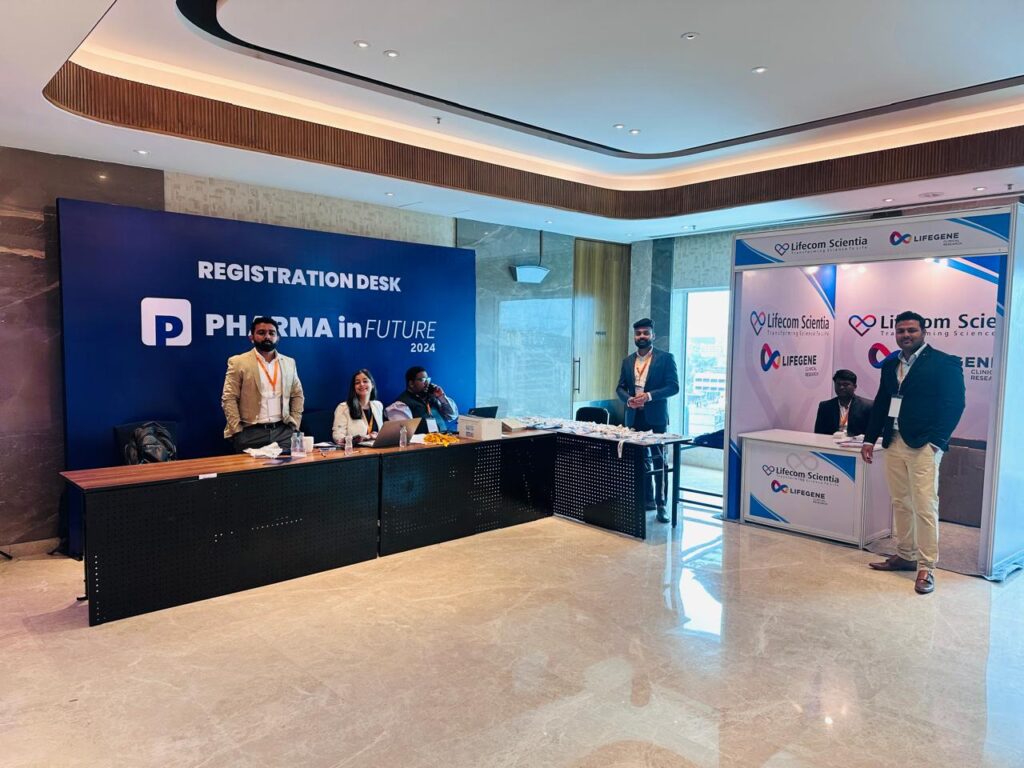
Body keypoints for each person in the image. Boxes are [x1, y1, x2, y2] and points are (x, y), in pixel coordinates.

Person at [861, 310, 965, 595]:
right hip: (893, 441)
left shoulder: (944, 363)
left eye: (911, 330)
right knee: (900, 501)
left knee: (924, 505)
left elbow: (955, 404)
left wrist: (936, 442)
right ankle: (906, 555)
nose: (905, 335)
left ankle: (926, 566)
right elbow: (882, 402)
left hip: (923, 445)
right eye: (901, 331)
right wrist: (869, 439)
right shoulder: (890, 363)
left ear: (923, 332)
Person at [616, 318, 680, 523]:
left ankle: (662, 505)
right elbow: (620, 387)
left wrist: (649, 396)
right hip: (634, 417)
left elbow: (673, 387)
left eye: (645, 333)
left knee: (659, 462)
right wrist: (628, 400)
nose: (642, 336)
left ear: (653, 335)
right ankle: (647, 500)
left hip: (656, 418)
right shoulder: (627, 361)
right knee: (639, 460)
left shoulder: (666, 358)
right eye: (638, 333)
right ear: (634, 337)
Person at [221, 316, 305, 452]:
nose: (267, 336)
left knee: (287, 467)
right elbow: (229, 398)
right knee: (249, 467)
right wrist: (237, 429)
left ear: (278, 337)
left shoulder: (289, 362)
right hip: (250, 434)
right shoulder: (238, 362)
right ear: (251, 337)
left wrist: (295, 424)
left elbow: (297, 394)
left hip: (283, 433)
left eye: (272, 333)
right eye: (261, 333)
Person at [386, 366, 458, 433]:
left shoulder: (432, 398)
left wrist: (441, 397)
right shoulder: (401, 405)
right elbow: (405, 434)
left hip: (445, 439)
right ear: (411, 384)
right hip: (424, 441)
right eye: (423, 380)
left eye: (427, 379)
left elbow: (451, 416)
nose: (427, 383)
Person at [333, 369, 387, 444]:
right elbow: (338, 437)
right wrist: (367, 437)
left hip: (377, 449)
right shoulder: (343, 408)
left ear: (372, 385)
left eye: (365, 381)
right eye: (357, 382)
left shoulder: (378, 405)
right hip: (355, 450)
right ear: (354, 387)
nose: (361, 384)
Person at [813, 369, 872, 436]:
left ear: (855, 387)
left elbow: (873, 433)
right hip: (831, 442)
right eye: (838, 384)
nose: (841, 387)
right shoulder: (825, 407)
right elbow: (818, 434)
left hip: (856, 442)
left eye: (845, 384)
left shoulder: (868, 406)